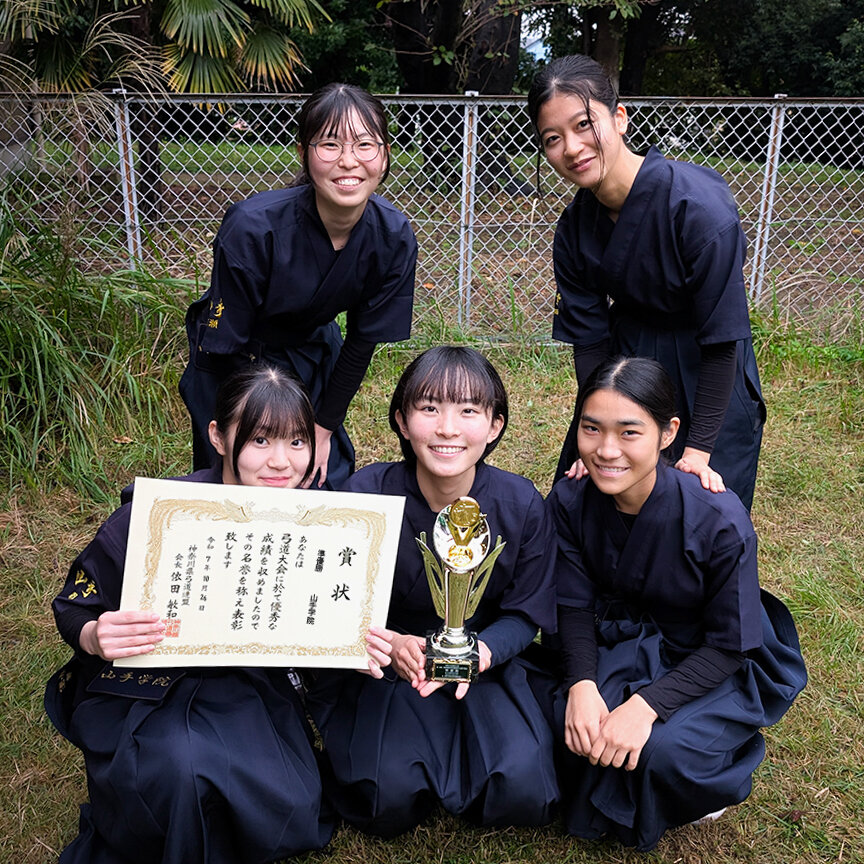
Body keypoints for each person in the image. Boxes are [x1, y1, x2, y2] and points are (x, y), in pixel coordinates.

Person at [45, 365, 335, 864]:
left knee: (292, 804)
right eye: (261, 440)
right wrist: (95, 635)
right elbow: (75, 605)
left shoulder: (318, 522)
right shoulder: (159, 512)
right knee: (179, 769)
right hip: (155, 686)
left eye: (296, 442)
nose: (281, 462)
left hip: (248, 684)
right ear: (218, 437)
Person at [543, 356, 806, 851]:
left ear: (669, 433)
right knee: (567, 724)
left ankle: (723, 762)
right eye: (591, 429)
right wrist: (581, 683)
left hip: (710, 657)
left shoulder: (718, 518)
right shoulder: (571, 500)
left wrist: (646, 706)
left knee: (659, 753)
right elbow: (572, 605)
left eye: (629, 433)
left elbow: (730, 645)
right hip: (620, 640)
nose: (606, 450)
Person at [306, 346, 559, 836]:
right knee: (385, 796)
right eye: (429, 409)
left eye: (468, 410)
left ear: (495, 425)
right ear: (402, 421)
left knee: (522, 787)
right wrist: (391, 643)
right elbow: (339, 600)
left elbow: (527, 614)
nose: (447, 428)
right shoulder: (365, 495)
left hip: (486, 665)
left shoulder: (520, 503)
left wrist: (481, 652)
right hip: (387, 666)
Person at [527, 55, 765, 510]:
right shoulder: (575, 228)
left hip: (708, 363)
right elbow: (591, 342)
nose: (572, 148)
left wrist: (697, 451)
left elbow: (722, 339)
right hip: (626, 356)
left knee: (698, 511)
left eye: (583, 125)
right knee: (587, 498)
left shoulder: (698, 209)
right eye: (552, 139)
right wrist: (590, 430)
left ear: (619, 118)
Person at [180, 82, 418, 490]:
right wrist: (269, 438)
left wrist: (321, 429)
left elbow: (362, 341)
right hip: (232, 356)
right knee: (241, 479)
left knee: (324, 473)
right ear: (304, 154)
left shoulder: (393, 236)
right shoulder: (253, 228)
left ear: (384, 156)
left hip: (311, 349)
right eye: (329, 144)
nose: (348, 162)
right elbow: (229, 345)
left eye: (365, 145)